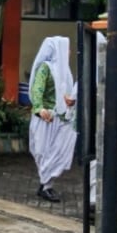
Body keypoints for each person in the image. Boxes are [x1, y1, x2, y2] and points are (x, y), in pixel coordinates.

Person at [28, 36, 77, 203]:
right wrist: (40, 109)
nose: (69, 52)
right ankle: (45, 184)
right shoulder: (45, 68)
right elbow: (37, 90)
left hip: (61, 119)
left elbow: (67, 94)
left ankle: (46, 185)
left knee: (58, 152)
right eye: (66, 49)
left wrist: (71, 101)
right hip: (45, 119)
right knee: (42, 152)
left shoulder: (66, 71)